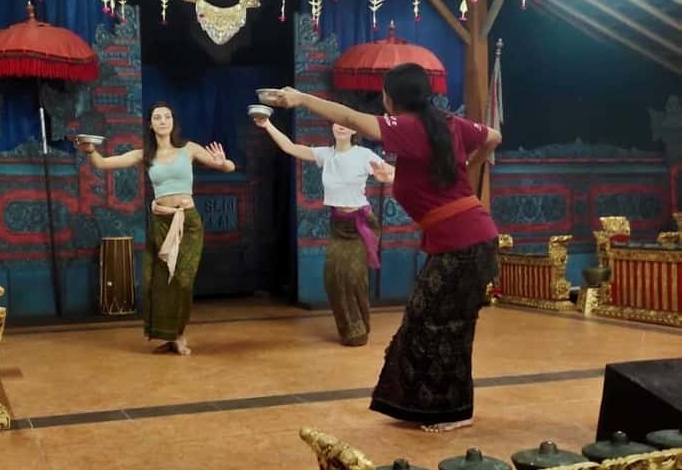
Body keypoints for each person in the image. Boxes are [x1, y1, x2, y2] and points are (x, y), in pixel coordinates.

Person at [267, 63, 501, 431]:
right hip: (466, 238)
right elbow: (493, 136)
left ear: (391, 99)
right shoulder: (444, 122)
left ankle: (453, 411)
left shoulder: (410, 126)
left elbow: (348, 116)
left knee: (441, 325)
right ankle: (427, 405)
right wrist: (466, 171)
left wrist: (300, 99)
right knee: (430, 322)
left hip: (465, 241)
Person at [74, 102, 235, 355]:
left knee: (182, 281)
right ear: (150, 124)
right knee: (160, 283)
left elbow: (227, 167)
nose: (163, 121)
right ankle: (168, 337)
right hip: (160, 222)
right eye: (157, 117)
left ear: (173, 121)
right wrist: (90, 150)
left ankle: (180, 334)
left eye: (167, 116)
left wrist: (223, 163)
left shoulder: (189, 149)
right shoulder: (144, 155)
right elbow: (103, 164)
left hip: (188, 223)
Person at [253, 115, 394, 346]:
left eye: (347, 122)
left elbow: (392, 173)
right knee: (333, 276)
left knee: (353, 276)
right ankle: (349, 328)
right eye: (338, 121)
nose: (341, 125)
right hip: (338, 223)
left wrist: (386, 178)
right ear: (332, 126)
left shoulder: (364, 155)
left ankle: (360, 327)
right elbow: (290, 147)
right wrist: (267, 124)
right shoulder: (325, 155)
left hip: (361, 222)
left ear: (354, 129)